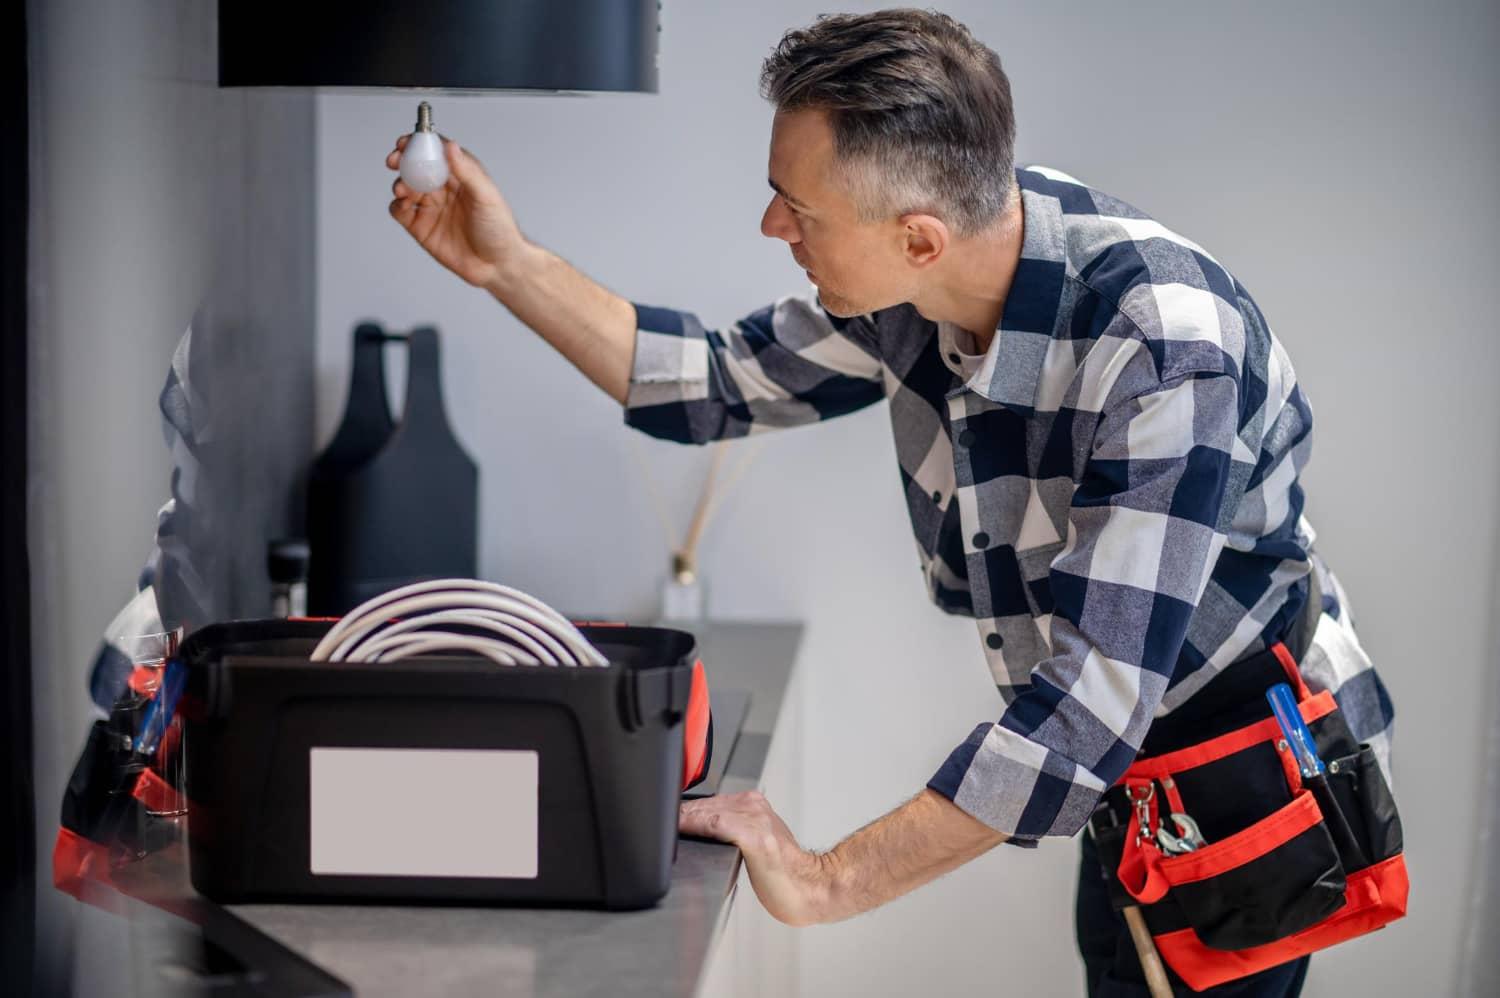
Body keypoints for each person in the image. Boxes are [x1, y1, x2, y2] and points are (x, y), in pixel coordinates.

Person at [384, 9, 1392, 995]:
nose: (773, 225)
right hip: (1115, 774)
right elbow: (711, 383)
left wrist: (825, 880)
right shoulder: (938, 267)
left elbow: (1091, 706)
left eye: (801, 210)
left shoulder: (1166, 351)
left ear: (918, 239)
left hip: (1240, 764)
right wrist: (506, 264)